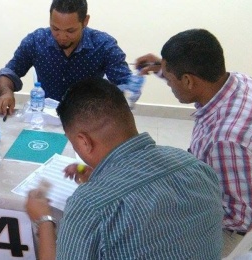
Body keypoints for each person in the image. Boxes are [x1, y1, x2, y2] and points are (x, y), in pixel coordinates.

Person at [25, 78, 223, 259]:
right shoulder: (195, 166)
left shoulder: (89, 205)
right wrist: (102, 180)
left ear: (84, 141)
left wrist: (43, 219)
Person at [135, 28, 252, 257]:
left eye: (170, 80)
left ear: (188, 80)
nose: (169, 85)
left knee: (151, 235)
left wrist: (178, 204)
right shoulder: (243, 82)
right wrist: (164, 68)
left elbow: (240, 219)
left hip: (232, 229)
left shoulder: (225, 140)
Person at [0, 0, 131, 115]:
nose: (62, 36)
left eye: (70, 31)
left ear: (85, 21)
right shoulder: (36, 41)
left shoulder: (103, 45)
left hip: (86, 118)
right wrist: (6, 93)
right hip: (46, 116)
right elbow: (8, 73)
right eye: (55, 28)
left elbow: (125, 85)